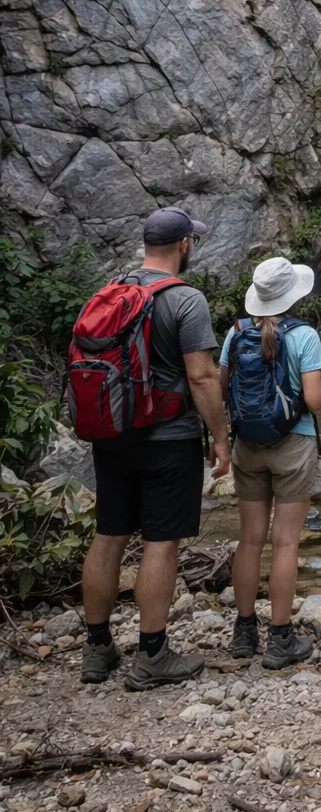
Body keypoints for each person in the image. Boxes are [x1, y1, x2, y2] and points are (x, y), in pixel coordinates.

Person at [81, 207, 231, 689]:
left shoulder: (111, 291)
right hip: (168, 438)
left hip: (111, 432)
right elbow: (202, 376)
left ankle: (97, 648)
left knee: (109, 536)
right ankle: (152, 655)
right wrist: (221, 438)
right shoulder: (186, 300)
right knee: (161, 541)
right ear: (185, 245)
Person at [220, 256, 321, 669]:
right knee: (285, 541)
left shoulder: (235, 334)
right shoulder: (304, 335)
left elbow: (222, 386)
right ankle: (281, 638)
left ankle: (244, 630)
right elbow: (314, 400)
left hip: (247, 445)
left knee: (250, 540)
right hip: (293, 445)